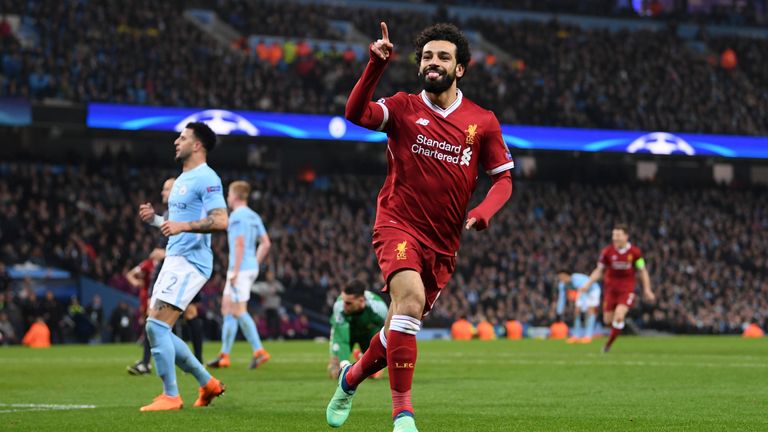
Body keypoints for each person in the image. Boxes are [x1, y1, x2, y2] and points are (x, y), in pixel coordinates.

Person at [326, 22, 514, 432]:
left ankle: (351, 378)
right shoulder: (404, 107)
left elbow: (503, 178)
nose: (433, 62)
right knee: (408, 301)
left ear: (460, 68)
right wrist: (375, 65)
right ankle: (403, 414)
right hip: (397, 223)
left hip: (444, 242)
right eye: (427, 56)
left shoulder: (481, 121)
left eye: (443, 57)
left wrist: (485, 211)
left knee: (397, 326)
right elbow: (356, 113)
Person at [136, 122, 228, 411]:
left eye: (183, 137)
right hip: (175, 258)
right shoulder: (182, 179)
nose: (177, 141)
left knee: (155, 326)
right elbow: (173, 225)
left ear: (197, 145)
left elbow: (221, 220)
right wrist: (155, 220)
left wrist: (182, 225)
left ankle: (171, 396)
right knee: (159, 328)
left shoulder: (206, 178)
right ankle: (207, 383)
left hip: (190, 262)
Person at [207, 180, 272, 370]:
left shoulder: (236, 217)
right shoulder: (254, 216)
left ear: (234, 196)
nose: (227, 197)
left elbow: (239, 244)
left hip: (239, 269)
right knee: (227, 308)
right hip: (248, 267)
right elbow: (266, 243)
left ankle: (259, 351)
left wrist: (235, 271)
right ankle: (224, 355)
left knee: (238, 310)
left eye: (228, 194)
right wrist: (255, 262)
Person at [578, 224, 655, 353]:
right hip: (610, 290)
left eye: (618, 235)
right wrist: (587, 284)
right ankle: (620, 328)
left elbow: (642, 271)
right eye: (614, 235)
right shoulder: (607, 252)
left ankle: (608, 345)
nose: (615, 238)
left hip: (626, 289)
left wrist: (647, 289)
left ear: (626, 236)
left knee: (619, 316)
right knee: (608, 320)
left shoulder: (635, 253)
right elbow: (599, 270)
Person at [328, 280, 388, 379]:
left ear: (360, 301)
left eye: (348, 303)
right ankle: (359, 358)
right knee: (335, 372)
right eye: (343, 300)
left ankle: (361, 356)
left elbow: (385, 333)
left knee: (374, 374)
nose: (344, 305)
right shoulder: (339, 306)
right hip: (347, 332)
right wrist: (344, 365)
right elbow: (342, 339)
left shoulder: (379, 308)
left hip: (367, 334)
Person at [125, 247, 166, 375]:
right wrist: (136, 283)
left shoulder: (166, 264)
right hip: (148, 298)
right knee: (151, 327)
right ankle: (146, 362)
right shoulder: (147, 264)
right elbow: (129, 274)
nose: (154, 251)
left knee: (155, 328)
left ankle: (146, 362)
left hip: (159, 298)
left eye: (158, 249)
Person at [556, 270, 601, 343]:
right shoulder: (562, 284)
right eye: (560, 278)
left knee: (590, 311)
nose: (562, 279)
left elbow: (583, 290)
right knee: (576, 312)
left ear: (568, 276)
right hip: (582, 292)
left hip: (593, 290)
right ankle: (576, 336)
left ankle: (588, 336)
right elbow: (562, 298)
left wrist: (583, 307)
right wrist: (559, 311)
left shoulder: (576, 279)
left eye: (563, 277)